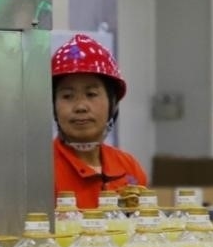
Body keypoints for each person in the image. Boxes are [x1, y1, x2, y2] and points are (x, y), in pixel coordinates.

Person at [51, 34, 148, 208]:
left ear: (112, 103)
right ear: (53, 105)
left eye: (91, 94)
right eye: (67, 96)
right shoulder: (39, 171)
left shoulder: (129, 167)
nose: (81, 107)